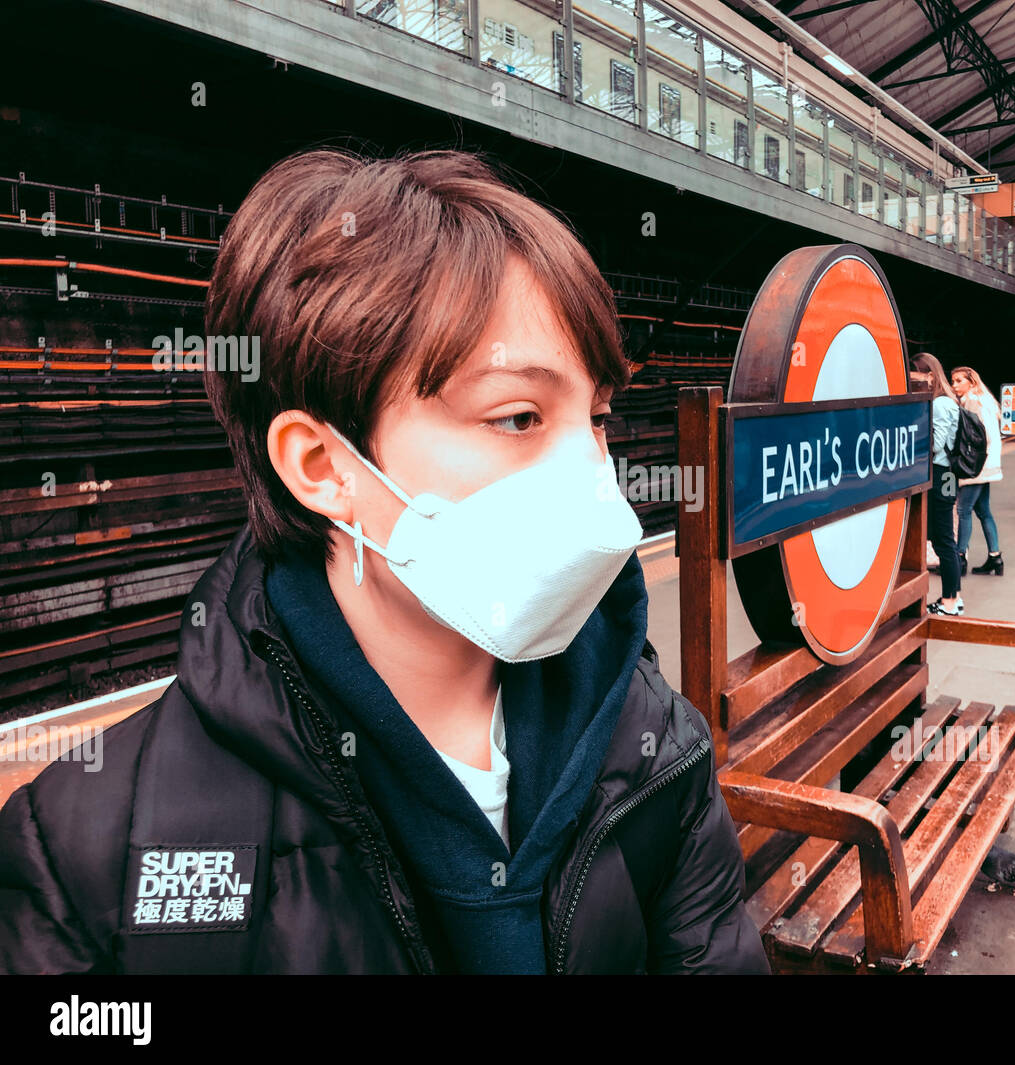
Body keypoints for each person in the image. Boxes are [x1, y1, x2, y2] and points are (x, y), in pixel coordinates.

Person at [0, 149, 770, 974]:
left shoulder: (657, 751)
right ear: (324, 468)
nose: (591, 477)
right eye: (517, 416)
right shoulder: (91, 855)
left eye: (597, 417)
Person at [912, 352, 962, 615]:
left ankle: (949, 603)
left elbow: (935, 444)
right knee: (944, 539)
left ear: (930, 375)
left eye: (916, 377)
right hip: (946, 475)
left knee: (944, 541)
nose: (913, 383)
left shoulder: (941, 404)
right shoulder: (947, 401)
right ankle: (955, 598)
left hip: (943, 475)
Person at [950, 366, 1003, 575]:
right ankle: (995, 557)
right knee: (983, 511)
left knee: (963, 510)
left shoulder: (973, 402)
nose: (954, 386)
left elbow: (977, 437)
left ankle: (960, 558)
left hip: (976, 465)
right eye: (953, 381)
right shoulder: (985, 400)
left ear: (971, 382)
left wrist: (966, 459)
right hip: (987, 463)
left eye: (959, 381)